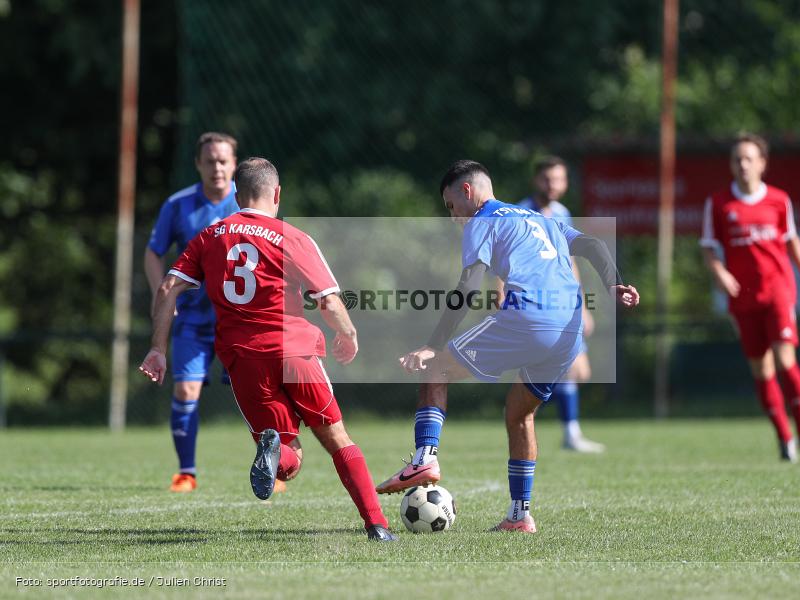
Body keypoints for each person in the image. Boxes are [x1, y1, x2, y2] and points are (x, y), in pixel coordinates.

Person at [139, 157, 396, 542]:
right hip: (294, 352)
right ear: (277, 194)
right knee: (337, 438)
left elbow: (167, 288)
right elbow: (326, 300)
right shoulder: (292, 237)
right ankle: (377, 525)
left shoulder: (211, 236)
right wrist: (348, 333)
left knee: (286, 459)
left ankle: (274, 449)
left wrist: (158, 349)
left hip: (244, 360)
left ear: (236, 195)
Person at [376, 160, 639, 533]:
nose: (453, 217)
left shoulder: (483, 220)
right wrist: (614, 284)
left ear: (466, 192)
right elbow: (593, 244)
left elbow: (468, 287)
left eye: (451, 206)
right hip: (568, 329)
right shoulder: (541, 220)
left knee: (435, 369)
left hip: (530, 318)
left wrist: (432, 345)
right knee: (520, 414)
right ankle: (519, 516)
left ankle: (425, 458)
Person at [700, 133, 800, 462]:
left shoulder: (778, 200)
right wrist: (721, 273)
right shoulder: (718, 203)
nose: (742, 164)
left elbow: (791, 240)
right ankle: (785, 439)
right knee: (761, 369)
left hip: (778, 291)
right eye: (736, 159)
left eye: (748, 158)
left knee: (786, 361)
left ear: (762, 163)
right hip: (743, 298)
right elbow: (709, 248)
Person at [144, 132, 242, 493]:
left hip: (239, 320)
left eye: (223, 160)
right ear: (198, 164)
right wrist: (162, 291)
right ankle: (186, 472)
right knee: (186, 390)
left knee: (254, 393)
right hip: (193, 320)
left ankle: (276, 468)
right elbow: (153, 252)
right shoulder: (178, 204)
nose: (216, 167)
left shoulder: (249, 203)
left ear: (234, 164)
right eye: (210, 160)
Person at [519, 156, 604, 453]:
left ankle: (526, 408)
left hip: (564, 301)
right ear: (536, 180)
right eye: (547, 179)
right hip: (537, 304)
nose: (553, 185)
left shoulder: (562, 213)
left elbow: (569, 262)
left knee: (579, 372)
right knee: (568, 369)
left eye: (559, 179)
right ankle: (568, 431)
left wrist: (582, 306)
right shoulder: (521, 214)